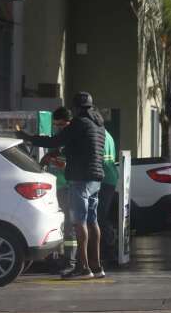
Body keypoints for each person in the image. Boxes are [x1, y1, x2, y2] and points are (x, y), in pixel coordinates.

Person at [16, 92, 105, 280]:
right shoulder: (98, 125)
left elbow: (56, 141)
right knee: (92, 221)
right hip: (95, 178)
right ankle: (97, 267)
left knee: (78, 222)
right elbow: (76, 146)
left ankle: (83, 268)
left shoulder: (80, 122)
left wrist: (27, 137)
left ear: (76, 108)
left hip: (80, 178)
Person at [39, 107, 77, 275]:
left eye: (60, 125)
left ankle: (71, 261)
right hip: (56, 187)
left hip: (68, 187)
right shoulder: (59, 139)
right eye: (55, 125)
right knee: (60, 224)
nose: (57, 128)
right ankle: (59, 257)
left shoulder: (72, 138)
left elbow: (69, 165)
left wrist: (53, 161)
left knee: (69, 225)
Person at [98, 127, 119, 262]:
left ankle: (108, 251)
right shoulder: (108, 134)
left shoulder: (98, 134)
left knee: (100, 216)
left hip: (103, 178)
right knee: (102, 215)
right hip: (110, 176)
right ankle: (108, 249)